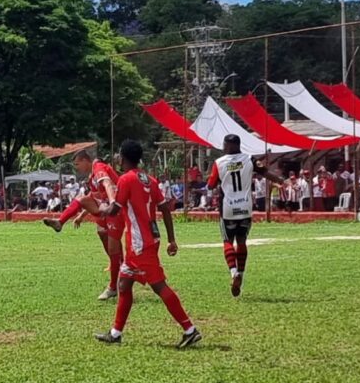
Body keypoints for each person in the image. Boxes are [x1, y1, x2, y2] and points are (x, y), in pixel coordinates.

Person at [95, 140, 202, 348]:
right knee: (124, 284)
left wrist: (101, 208)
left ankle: (190, 330)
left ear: (123, 158)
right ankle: (116, 333)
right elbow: (165, 209)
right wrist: (171, 239)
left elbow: (115, 210)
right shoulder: (150, 180)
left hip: (139, 244)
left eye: (118, 156)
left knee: (159, 285)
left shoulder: (126, 179)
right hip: (148, 239)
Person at [206, 135, 283, 298]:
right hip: (245, 207)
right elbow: (266, 172)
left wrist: (218, 179)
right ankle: (241, 273)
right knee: (241, 241)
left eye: (224, 145)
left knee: (227, 240)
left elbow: (210, 185)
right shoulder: (249, 159)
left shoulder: (219, 162)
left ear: (229, 145)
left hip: (228, 208)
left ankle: (234, 272)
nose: (223, 147)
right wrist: (281, 181)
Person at [43, 150, 124, 301]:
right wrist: (81, 216)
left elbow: (108, 184)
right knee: (101, 230)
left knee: (113, 247)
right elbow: (93, 197)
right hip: (105, 207)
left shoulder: (98, 167)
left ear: (85, 161)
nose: (76, 168)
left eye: (77, 164)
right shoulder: (92, 177)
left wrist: (113, 203)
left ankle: (114, 286)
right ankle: (60, 222)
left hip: (116, 209)